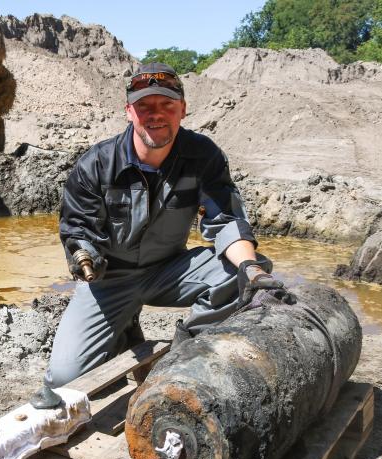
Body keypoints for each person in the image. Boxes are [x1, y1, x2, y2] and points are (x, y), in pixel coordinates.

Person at [31, 62, 285, 407]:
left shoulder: (203, 155)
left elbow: (225, 220)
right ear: (129, 111)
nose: (156, 115)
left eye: (167, 104)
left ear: (182, 109)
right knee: (65, 379)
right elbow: (77, 227)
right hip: (110, 280)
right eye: (145, 106)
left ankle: (188, 348)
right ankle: (123, 329)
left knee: (245, 270)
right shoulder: (95, 164)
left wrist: (252, 272)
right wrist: (84, 253)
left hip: (170, 269)